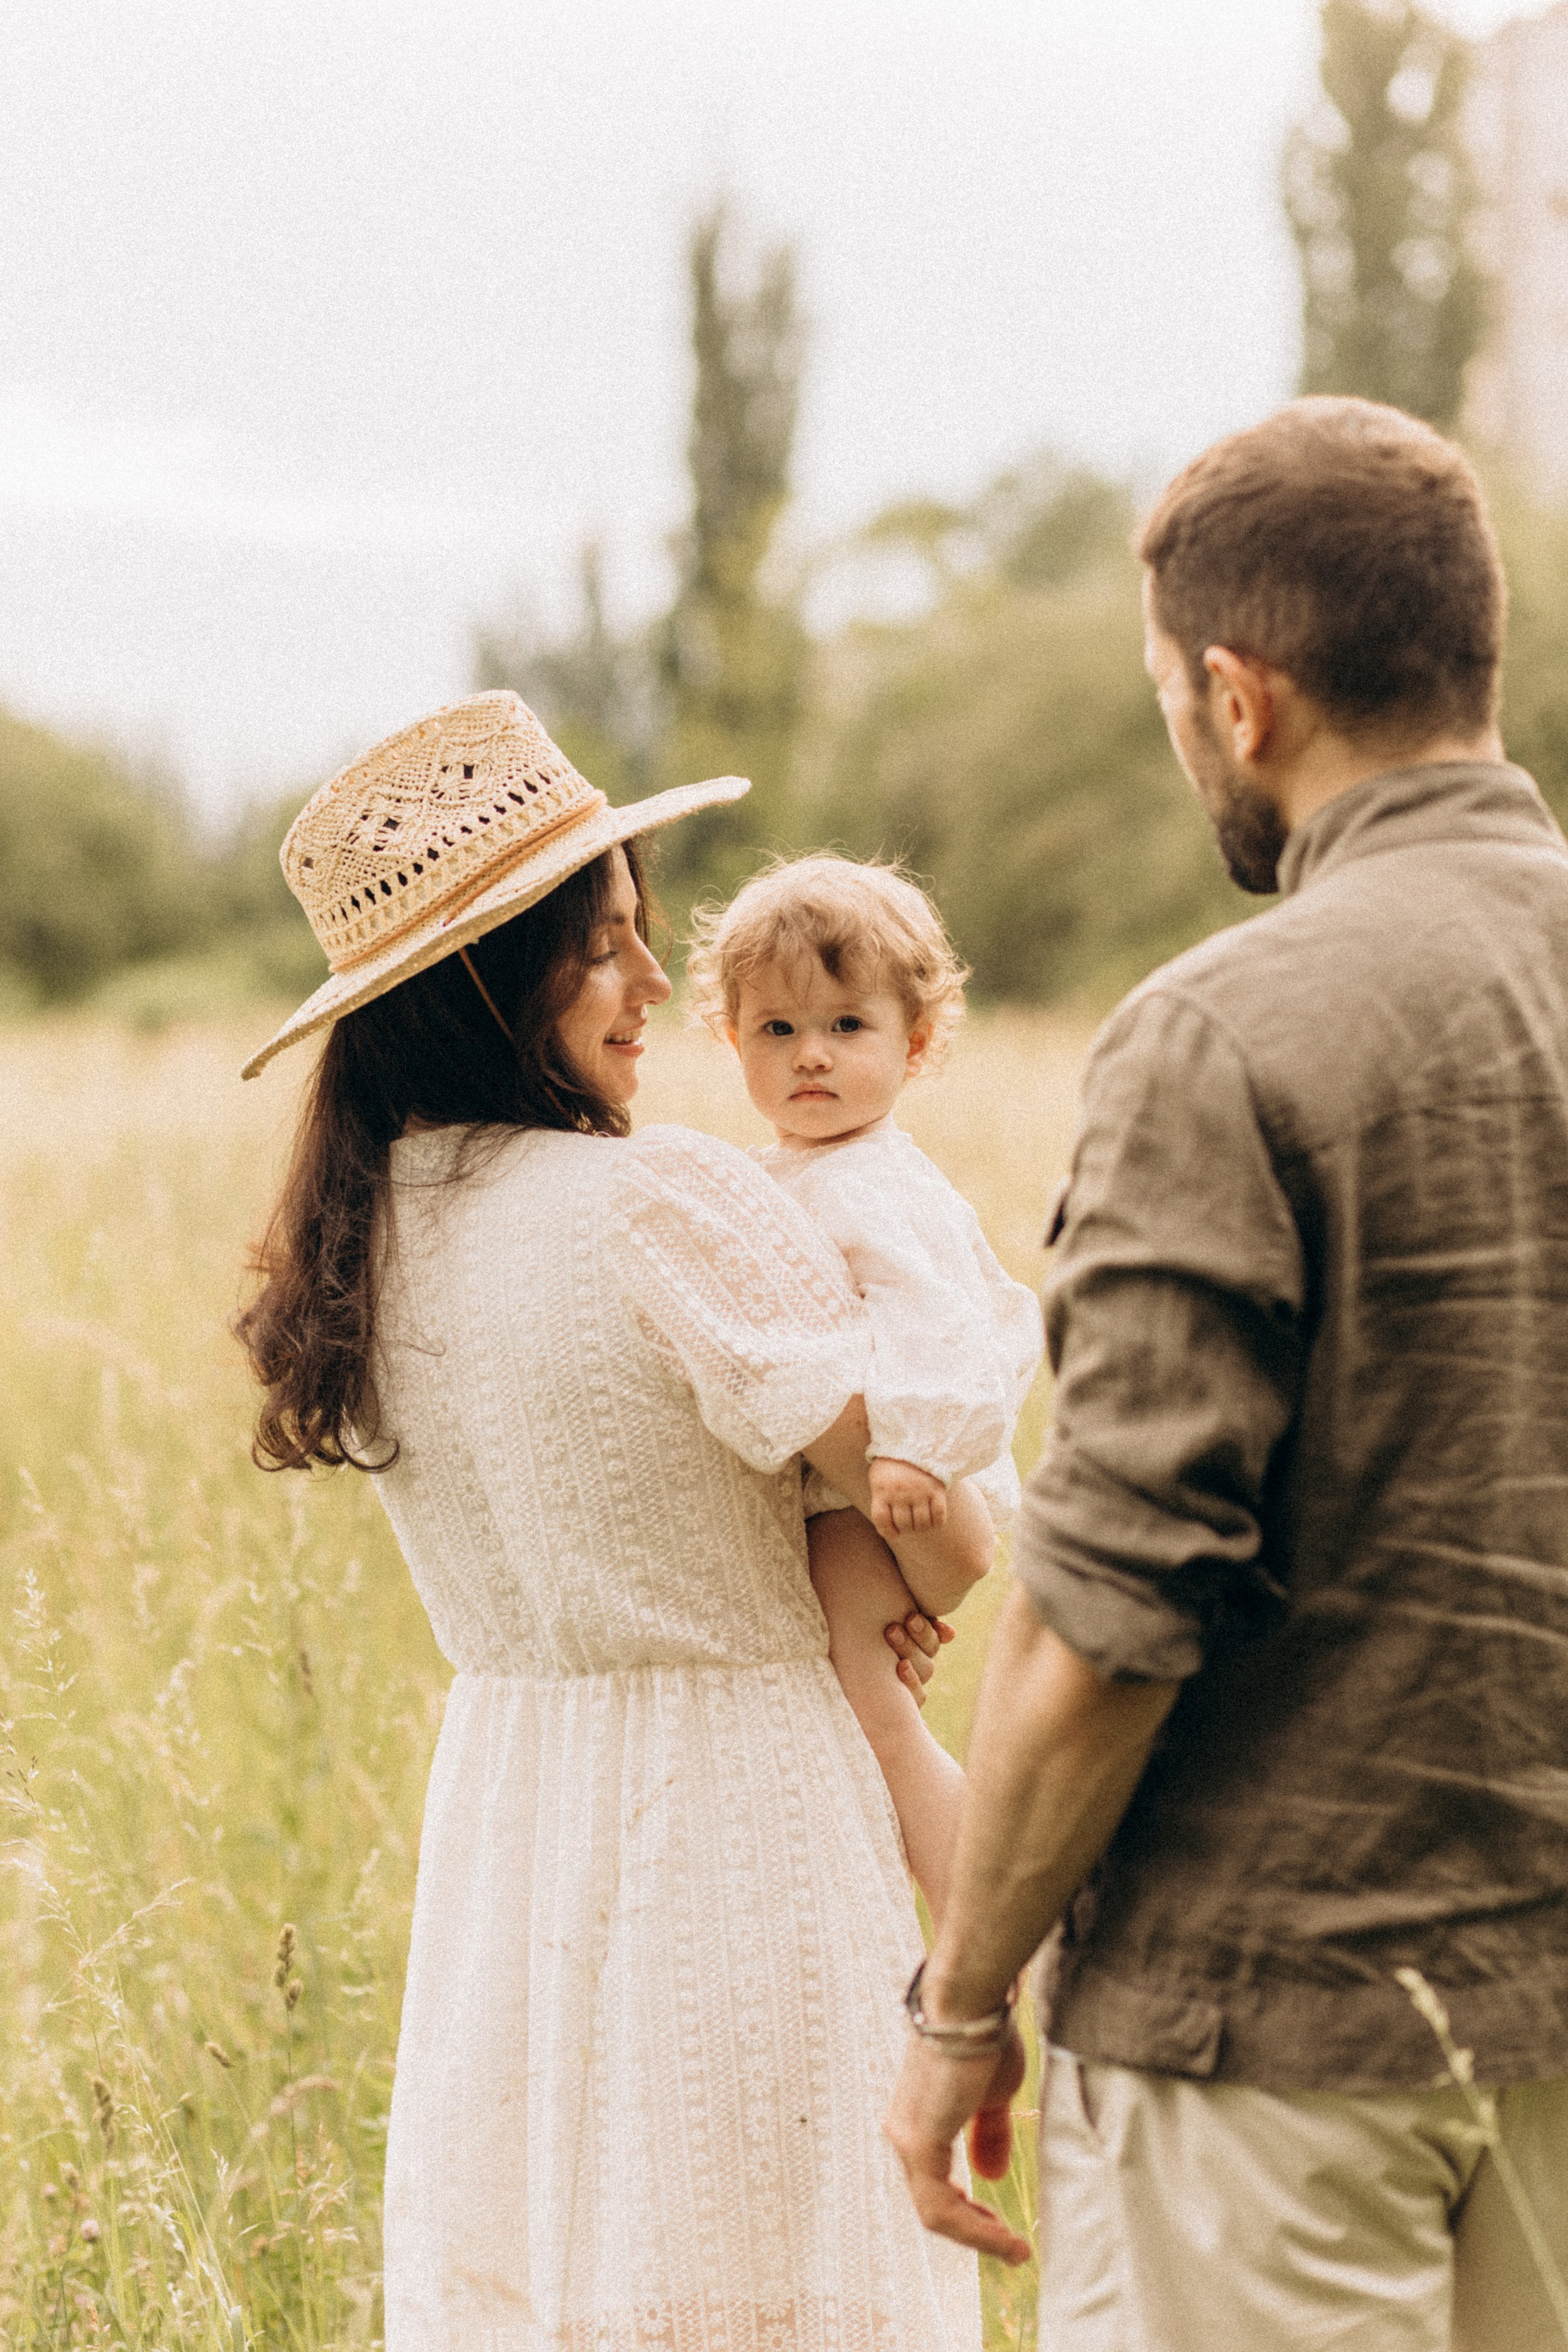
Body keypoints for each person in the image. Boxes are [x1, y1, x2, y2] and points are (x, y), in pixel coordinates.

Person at [884, 398, 1568, 2351]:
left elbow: (1107, 1621)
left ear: (1240, 696)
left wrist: (957, 2011)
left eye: (1177, 704)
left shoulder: (1223, 1034)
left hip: (1272, 2033)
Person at [235, 692, 992, 2351]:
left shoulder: (368, 1239)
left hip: (515, 1842)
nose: (659, 988)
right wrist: (886, 1573)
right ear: (497, 983)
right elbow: (949, 1541)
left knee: (557, 2284)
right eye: (611, 949)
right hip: (740, 1828)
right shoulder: (660, 1200)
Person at [687, 855, 1044, 1919]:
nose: (812, 1058)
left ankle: (992, 1927)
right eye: (778, 1031)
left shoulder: (878, 1185)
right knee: (849, 1705)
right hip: (852, 1488)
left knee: (874, 1706)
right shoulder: (784, 1170)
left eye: (848, 1027)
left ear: (916, 1044)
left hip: (888, 1489)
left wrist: (912, 1448)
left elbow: (948, 1324)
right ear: (731, 1039)